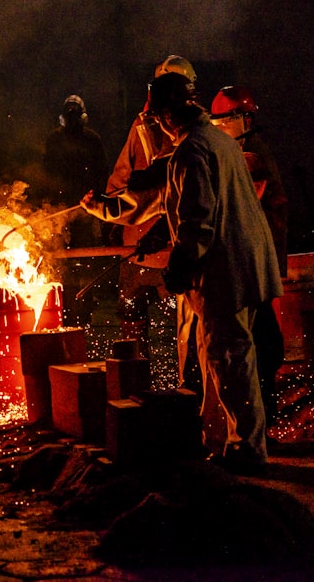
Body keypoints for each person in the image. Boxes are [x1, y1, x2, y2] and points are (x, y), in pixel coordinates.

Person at [140, 72, 282, 474]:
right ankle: (223, 441)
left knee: (230, 360)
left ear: (168, 115)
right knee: (225, 358)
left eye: (158, 119)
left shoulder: (191, 152)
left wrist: (179, 267)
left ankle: (248, 450)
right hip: (244, 264)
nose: (158, 126)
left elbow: (199, 221)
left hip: (225, 272)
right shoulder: (218, 140)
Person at [102, 56, 198, 384]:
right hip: (157, 241)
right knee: (175, 317)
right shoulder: (189, 128)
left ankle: (143, 383)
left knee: (147, 314)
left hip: (162, 240)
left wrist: (109, 213)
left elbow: (131, 183)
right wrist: (109, 212)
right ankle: (166, 383)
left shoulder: (180, 136)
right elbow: (126, 179)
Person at [210, 85, 288, 428]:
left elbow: (240, 202)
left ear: (244, 118)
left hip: (255, 257)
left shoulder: (250, 155)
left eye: (224, 121)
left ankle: (262, 422)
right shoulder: (244, 149)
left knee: (259, 340)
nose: (220, 128)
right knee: (258, 336)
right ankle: (264, 417)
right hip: (257, 256)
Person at [39, 95, 108, 325]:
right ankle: (67, 306)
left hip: (85, 210)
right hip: (62, 210)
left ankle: (83, 305)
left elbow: (101, 174)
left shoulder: (92, 140)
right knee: (62, 261)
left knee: (84, 259)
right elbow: (47, 173)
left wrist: (96, 201)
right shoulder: (55, 139)